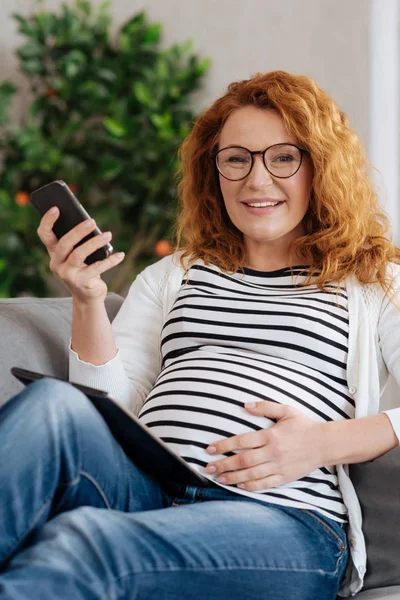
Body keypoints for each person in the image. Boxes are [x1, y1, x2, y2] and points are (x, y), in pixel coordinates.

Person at [1, 70, 399, 600]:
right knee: (53, 402)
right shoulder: (176, 274)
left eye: (283, 157)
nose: (256, 181)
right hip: (145, 490)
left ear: (320, 167)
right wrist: (88, 298)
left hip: (282, 522)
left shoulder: (372, 279)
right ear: (214, 172)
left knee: (83, 543)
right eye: (236, 159)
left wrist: (321, 442)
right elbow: (112, 408)